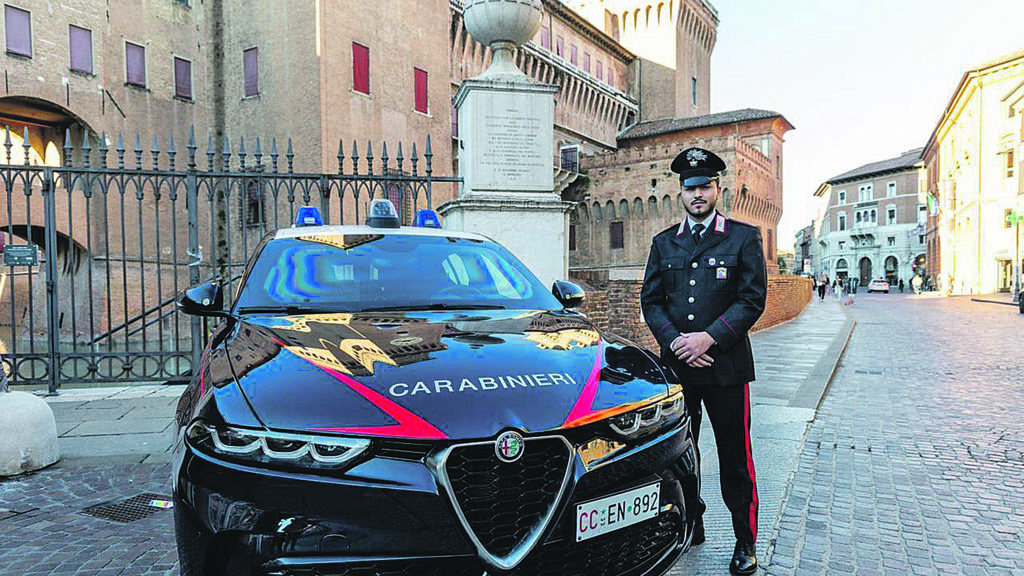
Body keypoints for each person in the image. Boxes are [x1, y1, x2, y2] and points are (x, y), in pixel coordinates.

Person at [640, 147, 767, 576]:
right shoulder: (663, 244)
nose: (697, 194)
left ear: (718, 189)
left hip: (726, 369)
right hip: (679, 371)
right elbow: (652, 302)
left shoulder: (743, 237)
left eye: (705, 187)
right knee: (680, 453)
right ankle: (690, 518)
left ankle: (744, 540)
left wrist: (708, 338)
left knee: (735, 457)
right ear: (681, 192)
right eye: (690, 188)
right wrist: (677, 342)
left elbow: (752, 300)